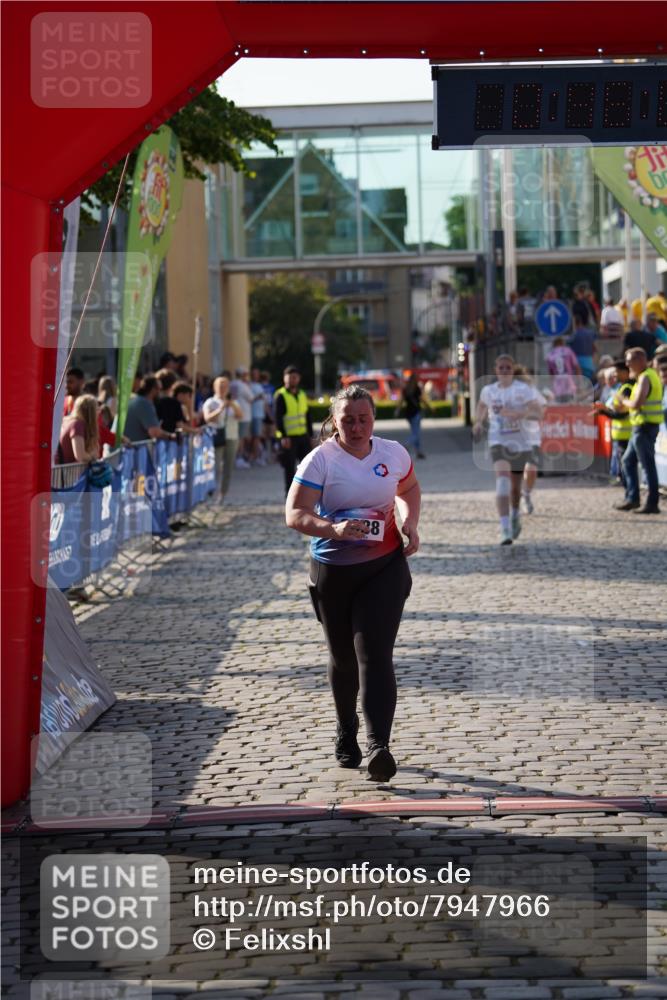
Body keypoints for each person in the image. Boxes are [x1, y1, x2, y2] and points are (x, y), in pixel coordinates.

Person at [285, 385, 420, 782]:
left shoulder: (392, 453)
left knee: (375, 653)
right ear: (335, 421)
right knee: (343, 658)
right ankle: (347, 729)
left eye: (363, 419)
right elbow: (294, 514)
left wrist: (409, 521)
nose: (357, 427)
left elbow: (408, 489)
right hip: (334, 570)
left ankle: (380, 745)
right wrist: (334, 528)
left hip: (385, 565)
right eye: (348, 420)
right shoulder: (320, 461)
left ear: (373, 419)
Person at [472, 354, 546, 545]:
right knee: (502, 482)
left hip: (521, 443)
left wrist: (518, 414)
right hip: (498, 441)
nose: (504, 371)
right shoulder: (488, 391)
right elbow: (481, 408)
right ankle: (504, 528)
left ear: (513, 370)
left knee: (515, 489)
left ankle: (514, 515)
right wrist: (478, 423)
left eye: (508, 368)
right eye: (501, 368)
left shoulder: (523, 390)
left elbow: (538, 412)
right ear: (496, 370)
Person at [615, 348, 663, 514]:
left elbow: (636, 403)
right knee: (628, 461)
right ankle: (632, 498)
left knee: (647, 466)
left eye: (629, 360)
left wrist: (623, 400)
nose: (627, 364)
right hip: (642, 427)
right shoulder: (646, 376)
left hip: (644, 427)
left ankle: (651, 502)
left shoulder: (645, 378)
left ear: (640, 360)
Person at [274, 365, 314, 495]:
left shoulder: (302, 394)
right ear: (285, 378)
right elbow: (278, 417)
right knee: (289, 469)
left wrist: (311, 436)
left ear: (299, 379)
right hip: (289, 439)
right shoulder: (281, 395)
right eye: (290, 377)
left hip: (303, 437)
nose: (293, 379)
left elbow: (307, 416)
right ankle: (290, 497)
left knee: (307, 468)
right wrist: (283, 436)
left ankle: (306, 496)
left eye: (295, 377)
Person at [202, 375, 243, 503]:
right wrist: (220, 409)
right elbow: (207, 418)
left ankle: (222, 494)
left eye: (225, 386)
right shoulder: (210, 402)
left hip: (231, 437)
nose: (222, 389)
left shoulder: (234, 402)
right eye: (220, 386)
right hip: (216, 437)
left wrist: (231, 405)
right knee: (215, 467)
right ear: (215, 387)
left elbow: (240, 416)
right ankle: (211, 492)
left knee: (228, 467)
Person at [593, 359, 633, 486]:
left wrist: (604, 411)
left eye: (616, 373)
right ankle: (629, 495)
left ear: (624, 372)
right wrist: (604, 411)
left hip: (627, 435)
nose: (614, 376)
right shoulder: (622, 388)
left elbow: (622, 414)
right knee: (624, 465)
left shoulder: (627, 388)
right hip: (621, 434)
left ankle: (632, 496)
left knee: (627, 466)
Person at [123, 375, 177, 444]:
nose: (160, 393)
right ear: (153, 389)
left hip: (127, 450)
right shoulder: (144, 404)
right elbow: (154, 432)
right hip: (131, 451)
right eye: (159, 389)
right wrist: (172, 437)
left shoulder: (135, 400)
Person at [56, 394, 99, 464]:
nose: (98, 412)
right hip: (69, 473)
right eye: (96, 409)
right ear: (91, 412)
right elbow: (80, 456)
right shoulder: (77, 425)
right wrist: (93, 457)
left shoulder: (68, 421)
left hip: (65, 471)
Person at [230, 366, 254, 468]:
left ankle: (233, 458)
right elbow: (251, 398)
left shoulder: (231, 384)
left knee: (235, 437)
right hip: (244, 415)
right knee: (241, 438)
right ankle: (239, 458)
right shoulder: (243, 385)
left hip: (233, 414)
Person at [546, 336, 580, 403]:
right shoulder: (568, 351)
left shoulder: (550, 354)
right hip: (568, 379)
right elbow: (576, 366)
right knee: (570, 400)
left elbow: (551, 373)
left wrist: (551, 384)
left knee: (559, 402)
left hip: (557, 380)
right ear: (562, 343)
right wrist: (578, 381)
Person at [155, 369, 190, 434]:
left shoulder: (153, 400)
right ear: (173, 384)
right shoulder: (174, 403)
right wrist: (195, 430)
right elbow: (179, 425)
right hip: (170, 439)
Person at [401, 372, 426, 459]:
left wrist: (397, 410)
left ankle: (419, 452)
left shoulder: (406, 389)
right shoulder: (417, 388)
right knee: (416, 433)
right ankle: (406, 445)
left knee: (415, 432)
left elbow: (401, 400)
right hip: (416, 412)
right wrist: (429, 407)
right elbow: (422, 399)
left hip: (408, 413)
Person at [568, 314, 598, 384]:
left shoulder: (573, 335)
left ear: (574, 323)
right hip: (589, 363)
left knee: (580, 387)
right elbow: (595, 348)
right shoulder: (590, 333)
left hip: (577, 365)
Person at [249, 367, 268, 465]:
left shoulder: (259, 385)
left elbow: (264, 401)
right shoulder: (249, 385)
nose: (256, 375)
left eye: (257, 373)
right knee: (256, 436)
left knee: (259, 436)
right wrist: (258, 397)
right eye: (254, 373)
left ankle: (256, 455)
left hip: (260, 414)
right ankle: (254, 457)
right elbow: (250, 399)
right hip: (253, 414)